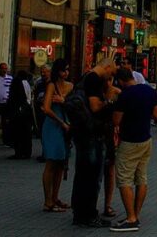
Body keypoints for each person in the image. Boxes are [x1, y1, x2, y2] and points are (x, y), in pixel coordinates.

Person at [110, 67, 157, 232]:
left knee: (124, 178)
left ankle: (131, 218)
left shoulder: (124, 95)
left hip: (129, 141)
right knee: (141, 178)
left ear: (120, 81)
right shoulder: (149, 91)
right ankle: (135, 214)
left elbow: (116, 121)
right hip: (146, 139)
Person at [69, 58, 116, 228]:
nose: (111, 77)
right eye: (112, 72)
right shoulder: (95, 79)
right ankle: (88, 213)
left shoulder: (85, 77)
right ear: (107, 66)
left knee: (83, 172)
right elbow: (95, 107)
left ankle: (80, 212)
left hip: (83, 132)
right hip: (92, 133)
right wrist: (109, 100)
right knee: (92, 174)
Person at [41, 59, 71, 213]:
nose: (66, 73)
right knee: (52, 162)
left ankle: (55, 197)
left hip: (66, 127)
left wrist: (64, 101)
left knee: (61, 163)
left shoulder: (70, 86)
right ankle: (48, 201)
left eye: (67, 70)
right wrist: (62, 122)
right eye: (63, 70)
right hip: (53, 126)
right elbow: (46, 108)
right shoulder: (51, 85)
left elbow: (73, 105)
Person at [101, 75, 121, 219]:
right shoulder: (95, 93)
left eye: (109, 79)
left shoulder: (117, 93)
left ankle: (107, 204)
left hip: (111, 134)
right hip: (98, 133)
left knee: (109, 170)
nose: (107, 83)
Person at [7, 69, 35, 159]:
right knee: (26, 133)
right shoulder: (27, 83)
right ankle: (27, 152)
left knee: (18, 132)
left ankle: (18, 152)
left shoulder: (16, 82)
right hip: (26, 110)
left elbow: (13, 97)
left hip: (18, 111)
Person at [33, 64, 52, 161]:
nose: (43, 73)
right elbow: (35, 94)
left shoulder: (53, 83)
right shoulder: (39, 82)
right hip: (40, 110)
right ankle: (45, 152)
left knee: (48, 132)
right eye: (42, 72)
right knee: (42, 132)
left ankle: (47, 153)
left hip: (49, 110)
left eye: (45, 72)